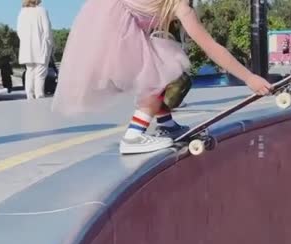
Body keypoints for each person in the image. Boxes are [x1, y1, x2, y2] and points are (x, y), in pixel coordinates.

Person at [51, 0, 272, 154]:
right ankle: (133, 136)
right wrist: (249, 77)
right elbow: (211, 47)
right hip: (111, 34)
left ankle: (166, 124)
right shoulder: (180, 7)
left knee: (162, 62)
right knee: (160, 70)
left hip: (100, 25)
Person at [16, 0, 54, 100]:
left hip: (27, 47)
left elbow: (19, 31)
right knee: (40, 72)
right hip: (40, 46)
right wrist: (50, 45)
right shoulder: (42, 11)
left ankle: (29, 95)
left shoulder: (22, 12)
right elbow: (47, 31)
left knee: (30, 71)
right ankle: (39, 95)